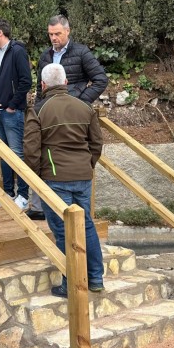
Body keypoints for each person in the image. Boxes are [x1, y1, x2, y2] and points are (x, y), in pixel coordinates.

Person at [24, 63, 104, 297]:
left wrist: (38, 174)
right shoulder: (85, 107)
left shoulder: (38, 110)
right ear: (66, 82)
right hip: (82, 175)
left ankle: (71, 284)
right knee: (86, 224)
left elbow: (31, 149)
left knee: (62, 231)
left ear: (43, 85)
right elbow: (96, 143)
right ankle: (96, 277)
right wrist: (88, 165)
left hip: (55, 177)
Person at [25, 14, 108, 220]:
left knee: (77, 218)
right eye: (51, 34)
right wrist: (39, 108)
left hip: (72, 113)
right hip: (50, 113)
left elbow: (100, 79)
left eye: (58, 34)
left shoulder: (81, 53)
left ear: (68, 31)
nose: (54, 38)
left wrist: (81, 102)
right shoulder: (45, 56)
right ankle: (38, 207)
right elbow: (40, 86)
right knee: (43, 151)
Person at [0, 18, 32, 211]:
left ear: (0, 34)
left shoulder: (18, 51)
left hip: (11, 112)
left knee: (16, 153)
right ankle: (8, 194)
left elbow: (25, 81)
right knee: (3, 154)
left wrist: (12, 105)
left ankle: (23, 195)